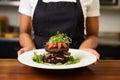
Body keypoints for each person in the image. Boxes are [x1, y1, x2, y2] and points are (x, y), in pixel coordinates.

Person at [17, 0, 100, 59]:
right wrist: (30, 48)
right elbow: (24, 33)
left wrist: (83, 51)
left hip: (76, 60)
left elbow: (93, 36)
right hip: (40, 61)